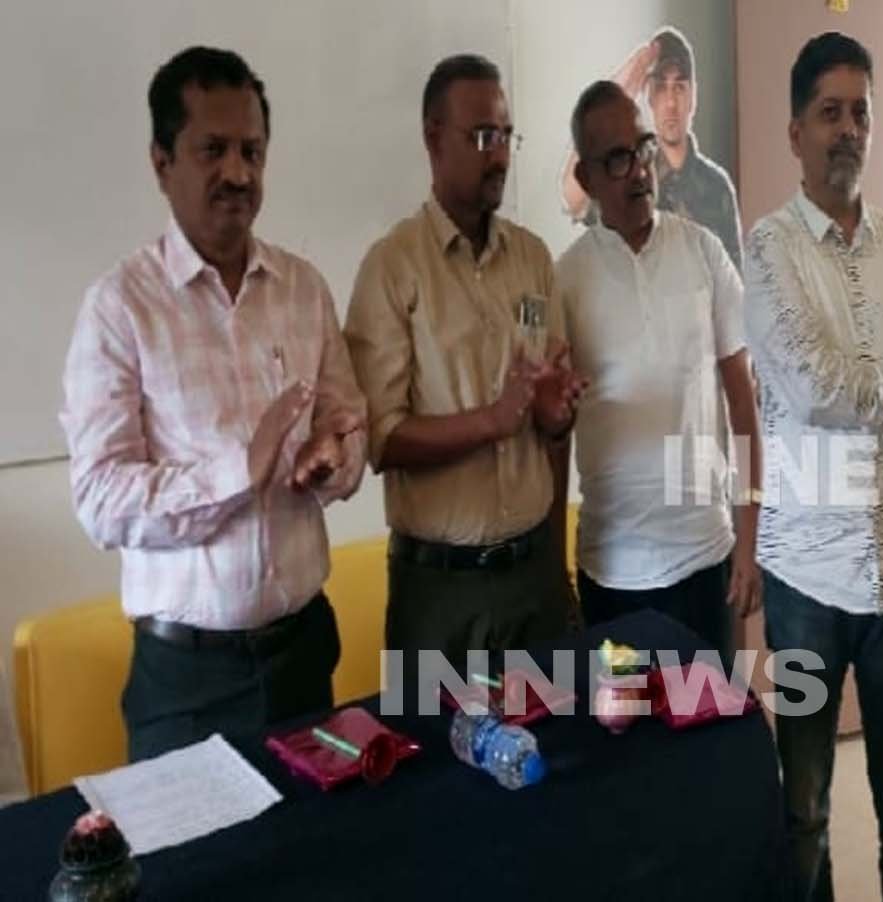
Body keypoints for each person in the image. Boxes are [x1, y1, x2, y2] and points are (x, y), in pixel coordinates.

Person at [60, 46, 367, 760]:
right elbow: (100, 499)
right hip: (186, 682)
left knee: (323, 834)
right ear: (161, 162)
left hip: (303, 656)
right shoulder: (119, 309)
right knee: (192, 842)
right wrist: (240, 470)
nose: (238, 173)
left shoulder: (303, 288)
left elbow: (348, 420)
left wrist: (334, 455)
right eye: (213, 150)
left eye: (252, 151)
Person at [743, 31, 883, 902]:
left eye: (859, 113)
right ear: (795, 132)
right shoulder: (768, 250)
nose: (847, 130)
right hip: (804, 582)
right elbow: (813, 384)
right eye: (829, 112)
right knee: (802, 812)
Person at [345, 54, 586, 707]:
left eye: (506, 135)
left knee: (554, 756)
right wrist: (491, 420)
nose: (499, 154)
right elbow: (380, 440)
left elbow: (551, 420)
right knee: (438, 767)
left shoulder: (533, 259)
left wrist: (555, 412)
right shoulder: (392, 268)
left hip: (533, 575)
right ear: (433, 138)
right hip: (440, 593)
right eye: (482, 136)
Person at [557, 80, 762, 657]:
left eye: (643, 149)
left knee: (707, 718)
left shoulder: (704, 253)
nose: (639, 171)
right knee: (622, 720)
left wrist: (749, 541)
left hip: (705, 563)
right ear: (586, 178)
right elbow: (552, 438)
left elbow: (743, 405)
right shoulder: (565, 279)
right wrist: (555, 572)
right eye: (617, 159)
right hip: (610, 575)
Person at [560, 27, 743, 270]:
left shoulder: (716, 187)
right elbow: (572, 196)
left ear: (693, 96)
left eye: (679, 87)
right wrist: (624, 90)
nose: (671, 103)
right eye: (661, 87)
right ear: (649, 96)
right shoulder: (630, 177)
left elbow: (735, 280)